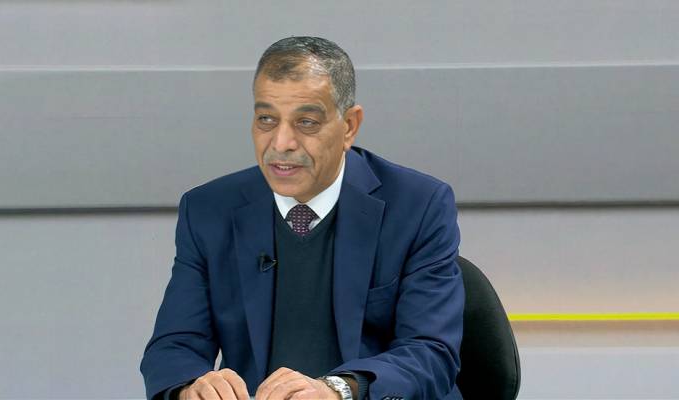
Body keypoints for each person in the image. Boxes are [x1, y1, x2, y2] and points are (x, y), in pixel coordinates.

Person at [140, 36, 465, 400]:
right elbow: (173, 347)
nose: (281, 143)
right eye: (266, 119)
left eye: (306, 122)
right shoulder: (209, 210)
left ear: (349, 126)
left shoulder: (418, 205)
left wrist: (336, 391)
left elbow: (430, 353)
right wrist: (191, 387)